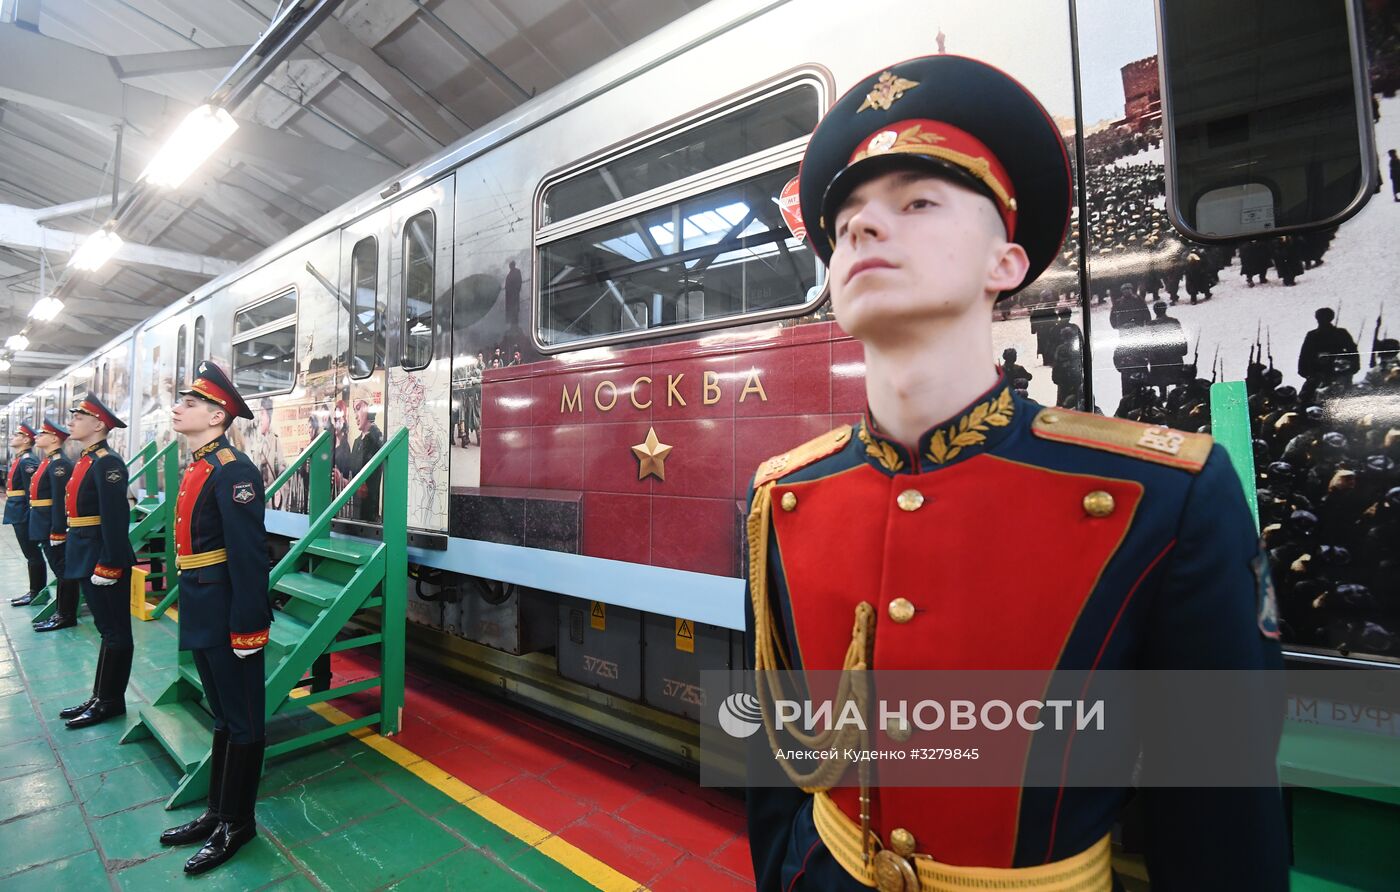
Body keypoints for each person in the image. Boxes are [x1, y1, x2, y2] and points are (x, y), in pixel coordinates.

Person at [745, 54, 1286, 891]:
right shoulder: (784, 496)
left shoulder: (1167, 498)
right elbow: (778, 770)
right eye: (847, 216)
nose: (861, 227)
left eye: (918, 202)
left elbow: (1221, 823)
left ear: (1006, 263)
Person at [160, 360, 271, 875]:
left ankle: (239, 823)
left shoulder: (234, 470)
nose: (178, 408)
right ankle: (218, 813)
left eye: (189, 402)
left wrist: (249, 625)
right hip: (203, 606)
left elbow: (248, 556)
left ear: (217, 415)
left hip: (229, 611)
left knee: (245, 721)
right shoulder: (201, 465)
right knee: (224, 717)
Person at [56, 396, 136, 729]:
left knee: (116, 633)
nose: (72, 421)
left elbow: (115, 518)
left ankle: (111, 701)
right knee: (107, 631)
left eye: (79, 416)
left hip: (102, 557)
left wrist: (110, 563)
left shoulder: (108, 463)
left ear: (99, 424)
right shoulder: (89, 460)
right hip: (87, 551)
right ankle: (100, 695)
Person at [29, 419, 78, 631]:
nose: (36, 437)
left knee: (63, 571)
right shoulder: (49, 461)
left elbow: (60, 500)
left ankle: (65, 615)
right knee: (59, 570)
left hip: (52, 524)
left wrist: (58, 530)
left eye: (42, 433)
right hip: (44, 522)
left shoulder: (59, 464)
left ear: (55, 438)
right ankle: (61, 612)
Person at [5, 422, 45, 607]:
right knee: (30, 554)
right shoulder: (22, 458)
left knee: (33, 554)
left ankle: (36, 592)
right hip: (18, 510)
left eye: (16, 434)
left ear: (26, 439)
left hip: (23, 512)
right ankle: (34, 590)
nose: (12, 437)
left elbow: (33, 491)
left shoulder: (28, 460)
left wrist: (31, 517)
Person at [350, 398, 384, 522]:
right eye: (355, 410)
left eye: (359, 408)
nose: (355, 416)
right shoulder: (356, 442)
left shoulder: (377, 438)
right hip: (356, 510)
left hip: (371, 511)